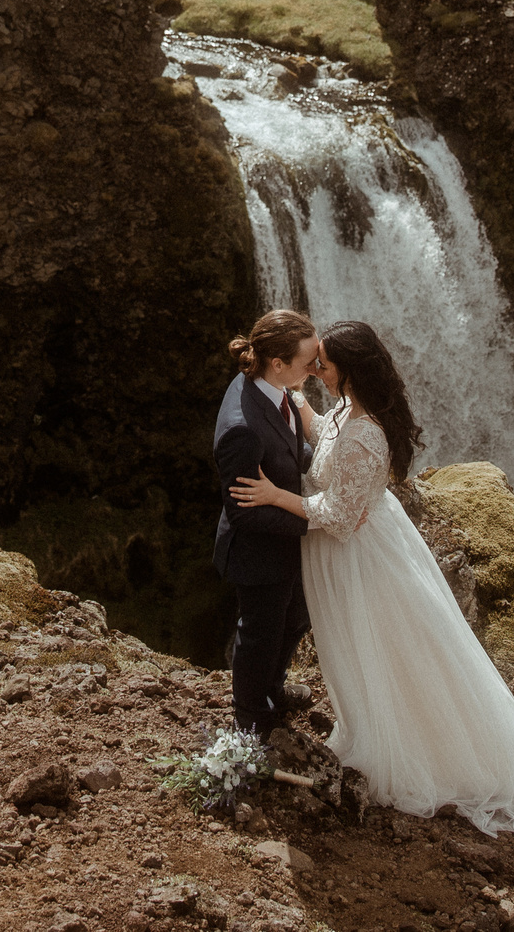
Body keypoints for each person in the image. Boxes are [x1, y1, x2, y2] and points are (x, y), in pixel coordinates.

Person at [230, 319, 514, 834]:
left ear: (348, 371)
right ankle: (367, 722)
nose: (314, 370)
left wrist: (276, 495)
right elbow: (327, 441)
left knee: (384, 643)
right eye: (310, 361)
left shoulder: (367, 434)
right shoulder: (349, 410)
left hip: (359, 555)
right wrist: (299, 406)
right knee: (371, 645)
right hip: (353, 546)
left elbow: (341, 514)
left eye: (322, 363)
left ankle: (414, 749)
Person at [212, 308, 322, 741]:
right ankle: (251, 719)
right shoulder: (243, 428)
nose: (315, 369)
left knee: (294, 620)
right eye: (308, 361)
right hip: (258, 553)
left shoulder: (274, 388)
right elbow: (244, 511)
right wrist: (314, 519)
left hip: (286, 542)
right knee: (259, 634)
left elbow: (291, 456)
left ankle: (273, 691)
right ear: (278, 363)